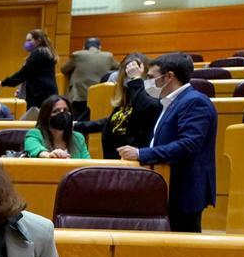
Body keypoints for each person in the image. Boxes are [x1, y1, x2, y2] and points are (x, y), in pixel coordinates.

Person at [118, 53, 217, 233]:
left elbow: (189, 145)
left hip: (184, 189)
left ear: (169, 76)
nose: (148, 82)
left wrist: (141, 154)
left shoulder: (195, 101)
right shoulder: (173, 102)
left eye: (151, 77)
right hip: (170, 186)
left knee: (183, 250)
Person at [75, 52, 161, 160]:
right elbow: (111, 122)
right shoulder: (126, 99)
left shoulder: (150, 99)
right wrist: (77, 125)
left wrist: (136, 81)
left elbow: (148, 109)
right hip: (115, 162)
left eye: (133, 74)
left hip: (135, 164)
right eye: (127, 74)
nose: (129, 78)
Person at [0, 28, 58, 116]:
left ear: (38, 40)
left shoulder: (39, 52)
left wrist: (3, 83)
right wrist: (22, 90)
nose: (27, 43)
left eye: (29, 40)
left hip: (40, 93)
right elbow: (32, 74)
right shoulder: (46, 52)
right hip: (46, 91)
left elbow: (24, 73)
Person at [61, 37, 116, 121]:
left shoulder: (78, 55)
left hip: (80, 95)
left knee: (78, 121)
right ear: (100, 47)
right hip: (100, 96)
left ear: (84, 47)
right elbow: (119, 68)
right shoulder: (108, 56)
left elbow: (64, 69)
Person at [24, 95, 90, 159]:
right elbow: (35, 149)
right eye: (56, 111)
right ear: (46, 116)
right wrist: (49, 155)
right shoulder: (34, 134)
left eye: (66, 110)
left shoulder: (78, 138)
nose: (62, 114)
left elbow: (88, 165)